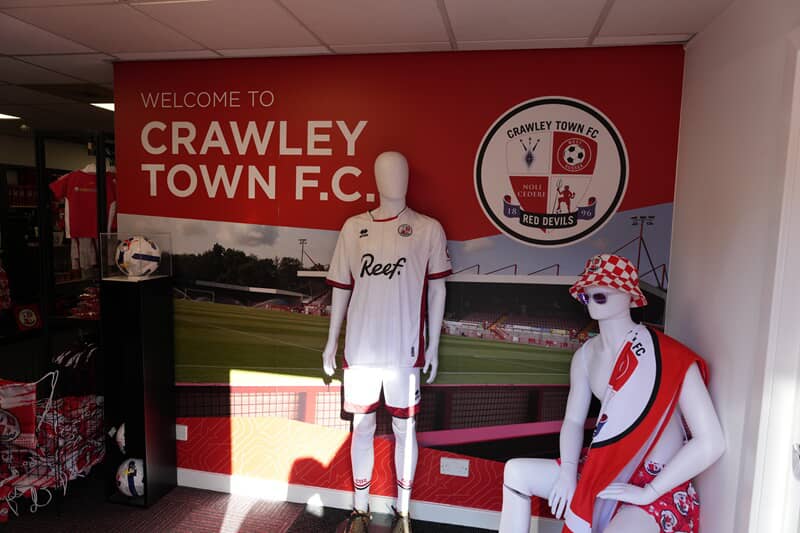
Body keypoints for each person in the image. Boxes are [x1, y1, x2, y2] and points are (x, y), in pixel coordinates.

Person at [499, 254, 725, 533]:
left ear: (631, 298)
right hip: (604, 468)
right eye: (587, 296)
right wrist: (569, 472)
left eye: (602, 295)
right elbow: (572, 422)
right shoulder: (584, 358)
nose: (592, 301)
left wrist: (650, 491)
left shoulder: (669, 357)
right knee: (516, 472)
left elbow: (711, 441)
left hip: (660, 482)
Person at [322, 151, 451, 533]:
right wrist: (331, 342)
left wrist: (434, 346)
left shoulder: (428, 229)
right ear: (375, 179)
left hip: (404, 352)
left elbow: (438, 290)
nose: (394, 178)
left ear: (409, 177)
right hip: (360, 350)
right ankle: (360, 509)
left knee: (405, 431)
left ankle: (404, 512)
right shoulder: (352, 227)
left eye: (400, 171)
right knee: (360, 427)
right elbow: (342, 289)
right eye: (385, 172)